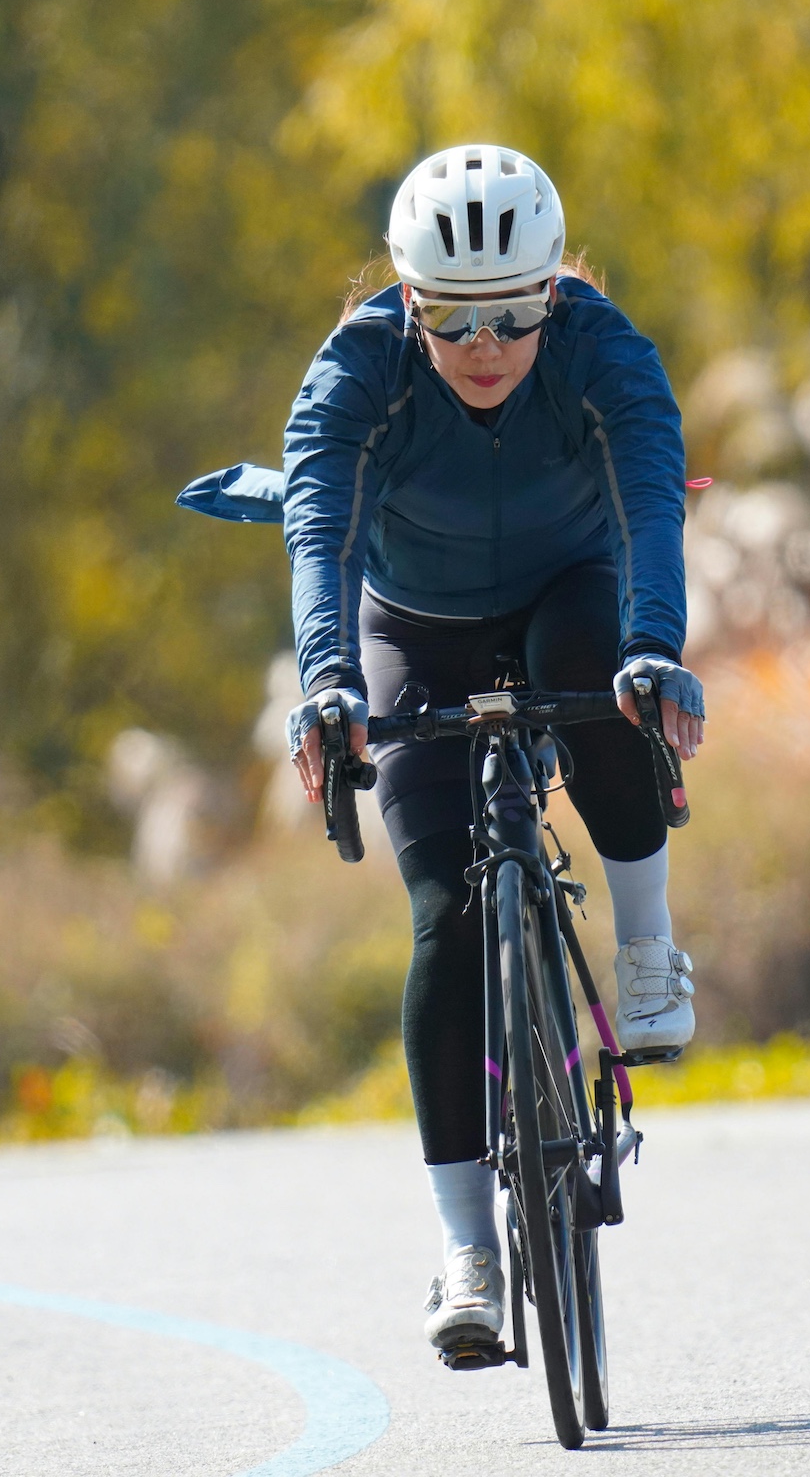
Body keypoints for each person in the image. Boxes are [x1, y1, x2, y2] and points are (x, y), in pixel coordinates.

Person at [280, 144, 706, 1358]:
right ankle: (468, 1248)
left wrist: (655, 646)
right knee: (443, 916)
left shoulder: (602, 349)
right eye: (454, 321)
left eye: (515, 317)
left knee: (605, 685)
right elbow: (321, 530)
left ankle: (648, 948)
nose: (486, 348)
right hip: (413, 625)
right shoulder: (356, 372)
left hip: (573, 590)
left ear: (553, 296)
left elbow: (650, 494)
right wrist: (328, 683)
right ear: (406, 303)